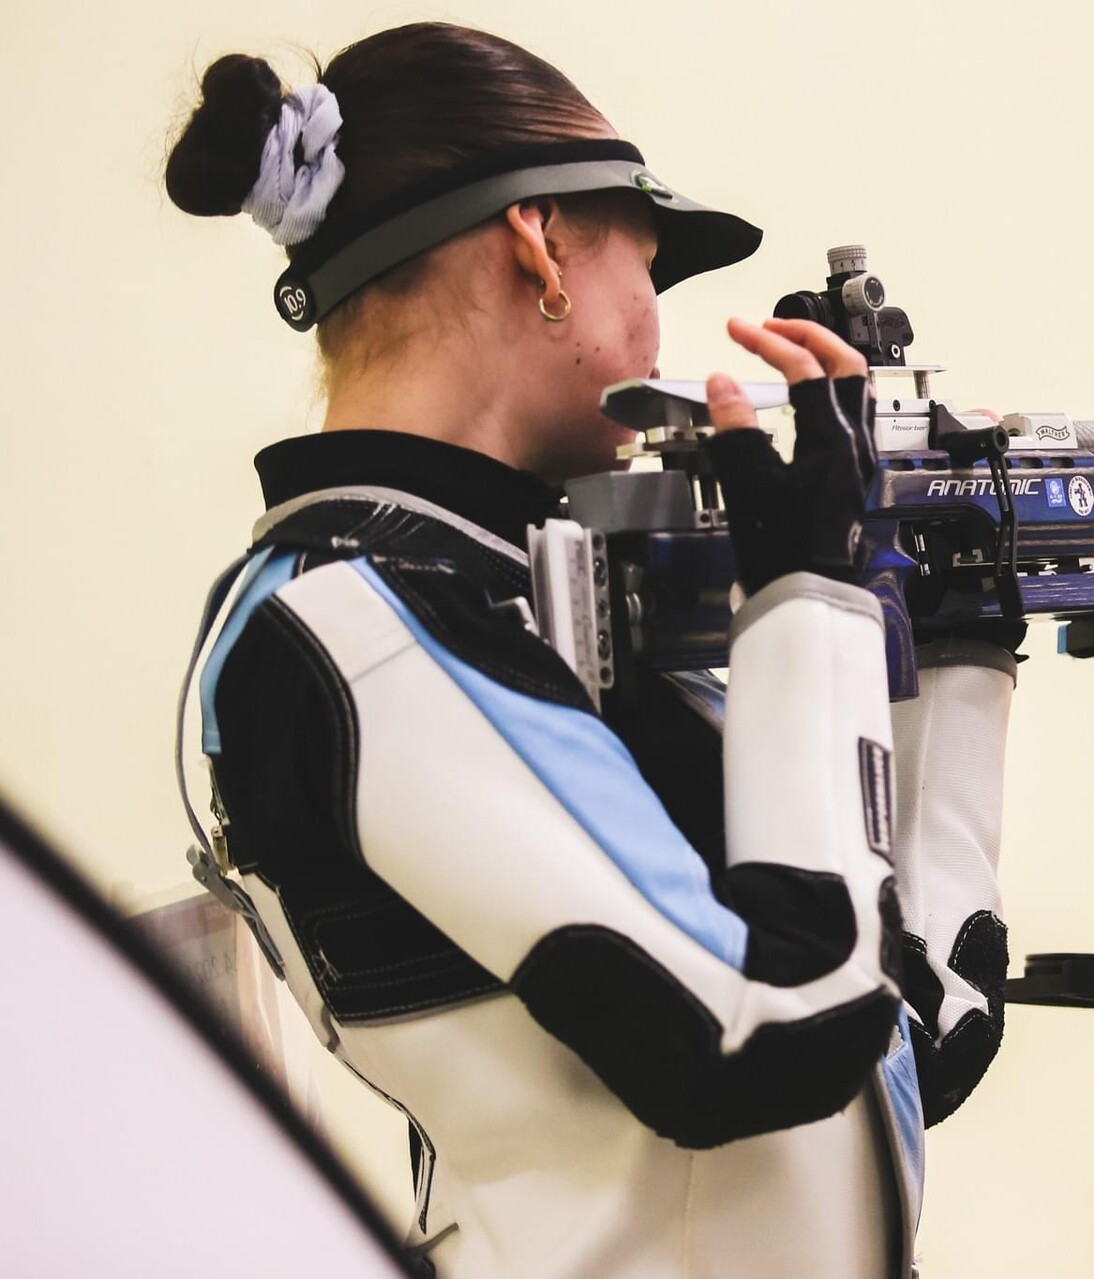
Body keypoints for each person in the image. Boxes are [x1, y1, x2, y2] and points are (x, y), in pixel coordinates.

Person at [165, 23, 1017, 1278]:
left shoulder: (507, 599)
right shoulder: (358, 622)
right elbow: (765, 1033)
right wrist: (808, 603)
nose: (659, 325)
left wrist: (948, 648)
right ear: (541, 244)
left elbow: (887, 1037)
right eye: (649, 265)